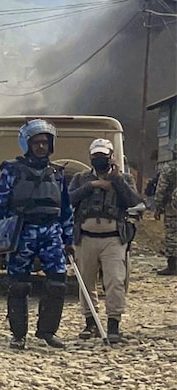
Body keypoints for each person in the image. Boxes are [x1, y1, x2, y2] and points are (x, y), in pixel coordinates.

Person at [0, 119, 73, 350]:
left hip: (51, 232)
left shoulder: (57, 173)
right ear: (27, 144)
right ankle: (18, 335)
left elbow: (65, 208)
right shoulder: (12, 170)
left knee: (57, 284)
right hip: (22, 231)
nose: (41, 146)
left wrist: (69, 237)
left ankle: (47, 331)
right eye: (36, 143)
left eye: (44, 142)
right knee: (18, 285)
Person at [69, 139, 141, 343]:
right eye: (96, 156)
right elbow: (69, 200)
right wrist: (91, 186)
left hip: (114, 238)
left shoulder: (124, 179)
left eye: (104, 156)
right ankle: (90, 322)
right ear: (90, 157)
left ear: (111, 157)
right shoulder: (80, 178)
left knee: (115, 281)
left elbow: (134, 202)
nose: (99, 160)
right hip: (86, 237)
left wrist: (116, 179)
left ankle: (113, 325)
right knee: (86, 282)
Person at [153, 158, 177, 275]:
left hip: (173, 209)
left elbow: (161, 189)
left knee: (172, 236)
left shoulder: (169, 168)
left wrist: (158, 208)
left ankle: (173, 266)